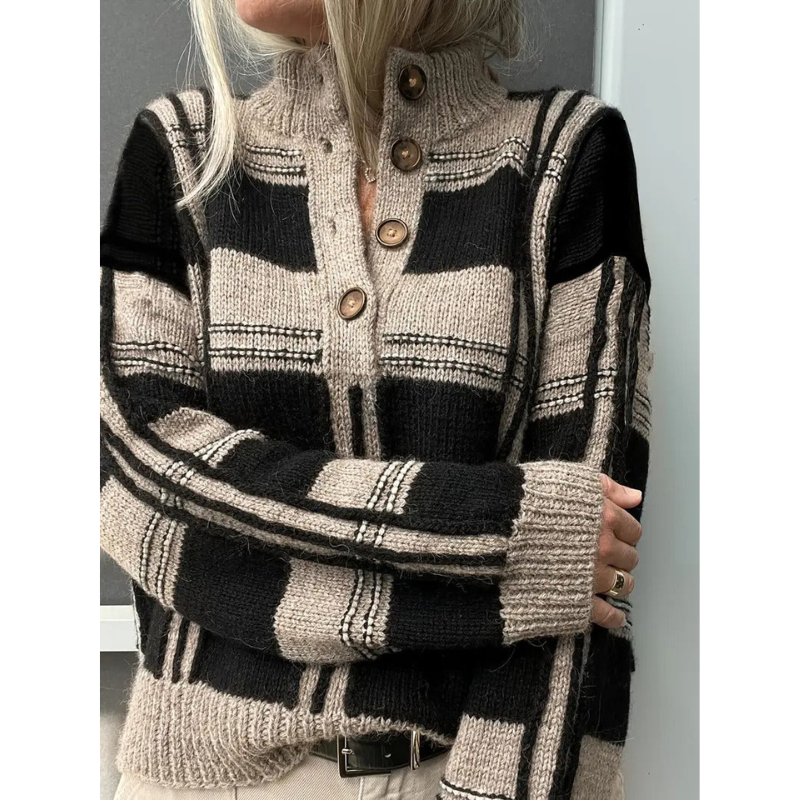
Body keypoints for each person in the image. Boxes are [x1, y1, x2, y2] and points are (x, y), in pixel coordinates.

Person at [100, 1, 653, 798]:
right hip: (198, 778)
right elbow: (144, 494)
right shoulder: (182, 152)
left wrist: (547, 567)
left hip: (453, 773)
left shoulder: (564, 156)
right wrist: (506, 540)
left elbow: (587, 589)